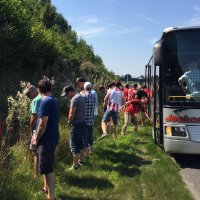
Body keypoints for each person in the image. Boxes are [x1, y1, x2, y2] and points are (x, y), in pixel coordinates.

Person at [33, 79, 59, 200]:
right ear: (51, 89)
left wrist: (36, 138)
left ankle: (51, 196)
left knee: (48, 169)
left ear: (39, 90)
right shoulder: (53, 100)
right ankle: (46, 189)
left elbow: (42, 125)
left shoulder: (45, 102)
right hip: (52, 137)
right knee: (44, 166)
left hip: (47, 139)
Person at [61, 85, 86, 170]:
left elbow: (71, 113)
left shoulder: (74, 99)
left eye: (66, 94)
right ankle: (81, 161)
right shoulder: (81, 96)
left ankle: (75, 167)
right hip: (82, 122)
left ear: (70, 92)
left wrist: (69, 121)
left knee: (74, 144)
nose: (66, 96)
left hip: (76, 123)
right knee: (80, 142)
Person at [23, 85, 42, 179]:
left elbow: (34, 117)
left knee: (35, 152)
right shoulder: (44, 97)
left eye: (28, 95)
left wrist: (31, 131)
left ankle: (36, 175)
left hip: (37, 129)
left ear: (31, 91)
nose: (29, 98)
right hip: (45, 129)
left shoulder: (36, 100)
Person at [82, 82, 96, 157]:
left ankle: (86, 154)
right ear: (91, 88)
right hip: (91, 119)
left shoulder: (83, 96)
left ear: (84, 88)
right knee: (90, 136)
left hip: (85, 120)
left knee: (85, 137)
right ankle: (91, 151)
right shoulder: (93, 97)